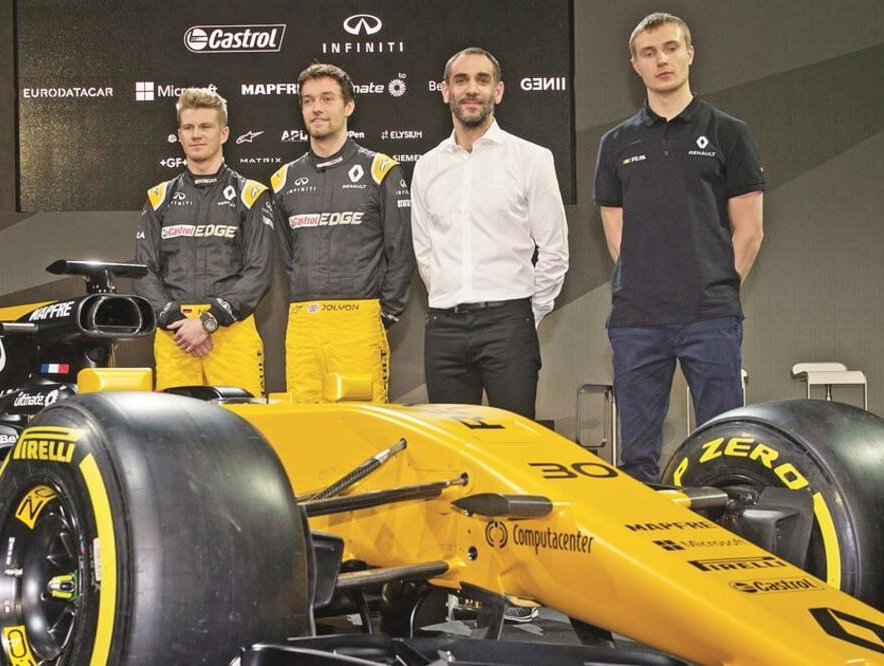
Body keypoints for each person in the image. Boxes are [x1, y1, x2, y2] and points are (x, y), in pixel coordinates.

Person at [594, 13, 765, 482]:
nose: (662, 59)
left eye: (671, 48)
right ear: (636, 65)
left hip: (710, 315)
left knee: (725, 449)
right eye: (649, 53)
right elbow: (615, 229)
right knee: (637, 460)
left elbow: (750, 230)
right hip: (637, 320)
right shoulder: (616, 143)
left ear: (690, 54)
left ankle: (725, 542)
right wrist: (646, 281)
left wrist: (715, 286)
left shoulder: (729, 133)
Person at [411, 47, 569, 421]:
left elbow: (554, 251)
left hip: (509, 324)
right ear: (445, 90)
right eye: (461, 80)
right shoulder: (427, 166)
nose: (471, 89)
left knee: (515, 445)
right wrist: (450, 295)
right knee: (450, 449)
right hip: (443, 327)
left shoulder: (532, 159)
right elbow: (424, 249)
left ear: (497, 92)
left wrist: (525, 315)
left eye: (482, 80)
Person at [270, 63, 413, 403]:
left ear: (348, 106)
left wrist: (384, 313)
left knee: (362, 428)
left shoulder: (380, 170)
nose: (316, 108)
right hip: (304, 322)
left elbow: (402, 252)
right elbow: (290, 259)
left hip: (359, 321)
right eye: (307, 101)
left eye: (327, 99)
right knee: (305, 428)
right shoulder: (283, 179)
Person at [134, 88, 276, 394]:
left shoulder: (251, 195)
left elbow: (258, 273)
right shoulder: (158, 198)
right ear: (179, 135)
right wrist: (176, 321)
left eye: (205, 127)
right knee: (174, 434)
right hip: (176, 335)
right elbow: (143, 271)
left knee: (241, 430)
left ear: (223, 133)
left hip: (232, 333)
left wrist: (209, 321)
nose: (196, 135)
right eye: (188, 127)